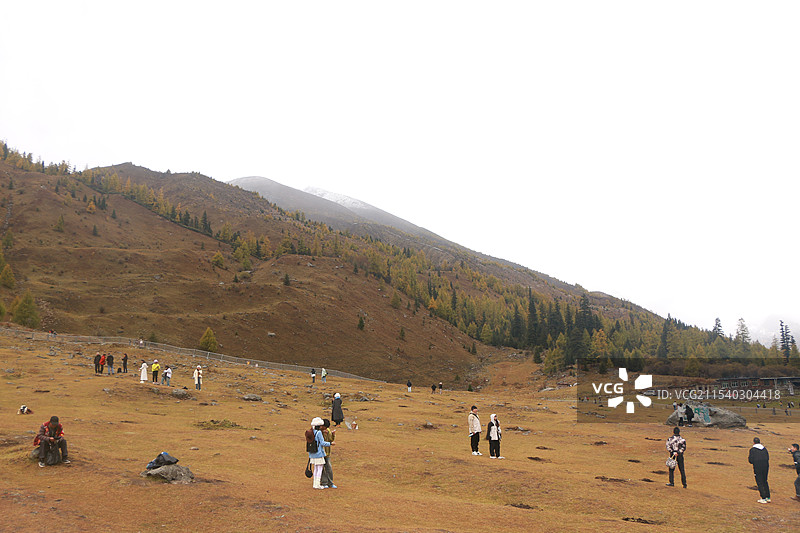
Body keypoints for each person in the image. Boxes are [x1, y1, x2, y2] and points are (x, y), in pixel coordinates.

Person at [305, 417, 332, 489]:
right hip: (319, 453)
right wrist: (330, 443)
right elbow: (322, 443)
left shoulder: (311, 432)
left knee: (316, 469)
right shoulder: (319, 432)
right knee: (319, 469)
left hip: (312, 453)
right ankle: (317, 484)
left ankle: (315, 484)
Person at [749, 437, 770, 503]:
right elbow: (768, 457)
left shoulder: (752, 450)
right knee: (765, 481)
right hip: (766, 466)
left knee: (759, 482)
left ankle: (763, 498)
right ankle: (768, 497)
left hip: (758, 467)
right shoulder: (764, 449)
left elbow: (751, 460)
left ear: (754, 442)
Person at [319, 419, 337, 489]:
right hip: (320, 452)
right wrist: (323, 434)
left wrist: (332, 435)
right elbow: (321, 441)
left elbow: (330, 440)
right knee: (322, 468)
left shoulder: (328, 430)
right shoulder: (318, 431)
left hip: (327, 452)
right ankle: (324, 482)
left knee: (328, 467)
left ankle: (330, 482)